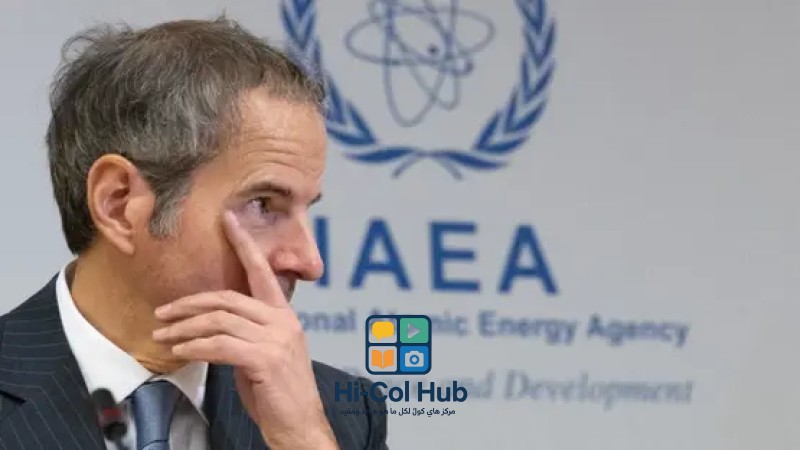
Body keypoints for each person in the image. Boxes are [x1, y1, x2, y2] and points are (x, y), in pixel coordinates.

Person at [0, 17, 388, 450]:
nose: (309, 262)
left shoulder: (341, 416)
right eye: (262, 205)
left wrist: (301, 438)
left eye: (305, 209)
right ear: (119, 204)